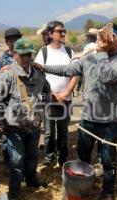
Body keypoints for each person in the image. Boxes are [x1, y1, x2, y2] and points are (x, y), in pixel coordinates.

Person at [34, 24, 117, 200]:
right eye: (105, 36)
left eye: (112, 37)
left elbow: (107, 76)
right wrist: (42, 67)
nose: (107, 39)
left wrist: (100, 52)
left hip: (109, 121)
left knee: (108, 161)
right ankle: (81, 189)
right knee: (82, 159)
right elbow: (68, 70)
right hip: (88, 120)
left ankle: (108, 193)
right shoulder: (90, 59)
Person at [0, 39, 51, 200]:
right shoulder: (7, 75)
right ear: (15, 54)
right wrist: (0, 126)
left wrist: (44, 106)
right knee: (17, 162)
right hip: (14, 128)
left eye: (29, 55)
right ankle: (15, 191)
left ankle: (31, 180)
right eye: (23, 55)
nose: (26, 58)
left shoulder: (38, 74)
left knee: (32, 157)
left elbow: (47, 90)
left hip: (34, 126)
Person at [35, 20, 76, 167]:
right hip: (49, 99)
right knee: (49, 131)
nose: (63, 33)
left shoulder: (70, 52)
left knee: (63, 131)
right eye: (59, 31)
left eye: (64, 30)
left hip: (65, 98)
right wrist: (52, 93)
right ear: (51, 34)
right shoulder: (43, 52)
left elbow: (75, 74)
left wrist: (66, 92)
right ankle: (49, 157)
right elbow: (39, 76)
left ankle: (63, 157)